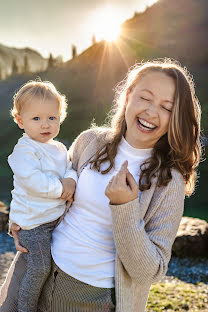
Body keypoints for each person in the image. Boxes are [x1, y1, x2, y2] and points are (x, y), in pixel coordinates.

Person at [0, 59, 201, 312]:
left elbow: (150, 271)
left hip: (91, 299)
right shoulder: (90, 141)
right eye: (145, 98)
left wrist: (125, 207)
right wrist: (19, 220)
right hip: (35, 271)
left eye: (166, 107)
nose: (151, 112)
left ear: (176, 116)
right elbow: (45, 184)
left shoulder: (168, 181)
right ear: (128, 96)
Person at [5, 81, 77, 312]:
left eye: (52, 118)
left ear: (60, 117)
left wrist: (71, 180)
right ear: (20, 121)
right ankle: (26, 308)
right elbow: (33, 181)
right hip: (33, 224)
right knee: (39, 267)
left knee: (55, 264)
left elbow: (69, 168)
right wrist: (60, 189)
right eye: (36, 119)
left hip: (54, 219)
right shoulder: (24, 151)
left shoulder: (58, 148)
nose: (45, 124)